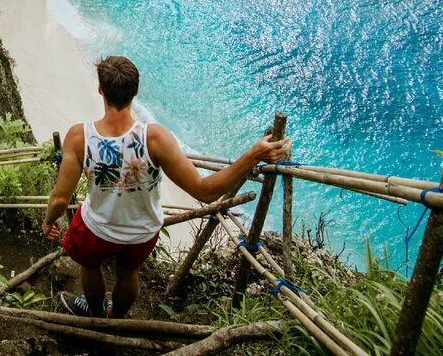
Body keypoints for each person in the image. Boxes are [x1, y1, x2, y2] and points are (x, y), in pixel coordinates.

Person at [41, 55, 291, 318]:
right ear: (135, 91)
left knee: (90, 267)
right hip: (142, 231)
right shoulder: (156, 138)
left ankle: (94, 312)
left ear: (101, 90)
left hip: (98, 227)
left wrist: (49, 221)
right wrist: (253, 154)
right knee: (128, 274)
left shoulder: (80, 137)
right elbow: (205, 191)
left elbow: (60, 199)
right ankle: (115, 318)